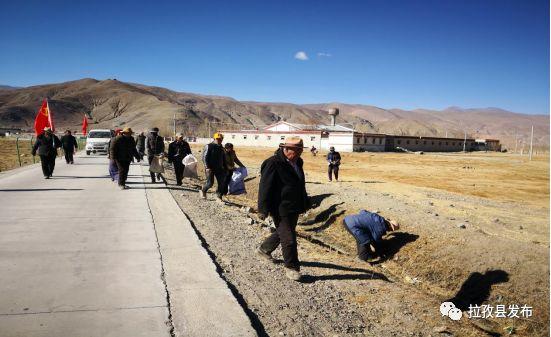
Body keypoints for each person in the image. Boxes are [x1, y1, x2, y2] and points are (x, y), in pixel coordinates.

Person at [256, 136, 310, 281]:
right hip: (279, 207)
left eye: (300, 151)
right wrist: (262, 209)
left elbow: (299, 184)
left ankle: (264, 249)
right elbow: (265, 186)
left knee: (285, 233)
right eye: (296, 151)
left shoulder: (298, 162)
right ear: (285, 149)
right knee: (289, 238)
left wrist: (305, 202)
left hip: (294, 205)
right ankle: (291, 267)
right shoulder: (273, 163)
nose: (299, 154)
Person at [200, 133, 227, 201]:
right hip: (210, 168)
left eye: (220, 139)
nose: (219, 140)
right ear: (214, 139)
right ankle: (203, 190)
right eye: (217, 139)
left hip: (219, 168)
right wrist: (207, 167)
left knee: (221, 183)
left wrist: (225, 167)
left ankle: (219, 196)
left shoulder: (222, 148)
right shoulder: (209, 146)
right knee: (210, 183)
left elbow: (224, 159)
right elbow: (204, 157)